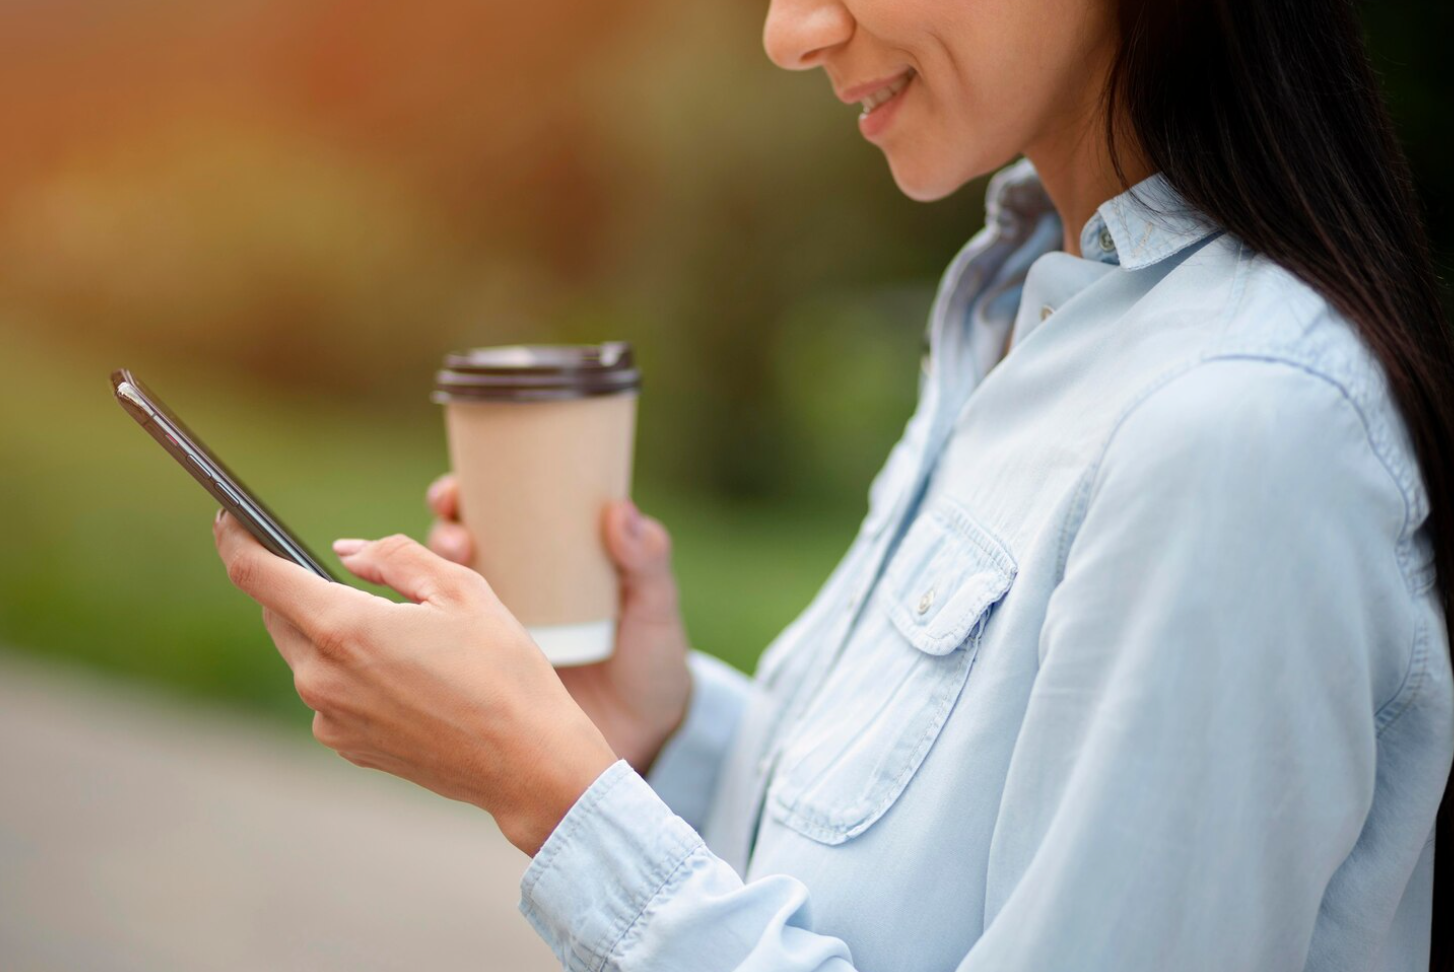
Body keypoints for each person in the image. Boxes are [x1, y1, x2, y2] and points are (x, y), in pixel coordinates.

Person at [213, 0, 1454, 968]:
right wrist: (655, 732)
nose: (787, 32)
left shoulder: (1235, 431)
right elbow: (922, 887)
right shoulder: (1025, 305)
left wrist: (560, 799)